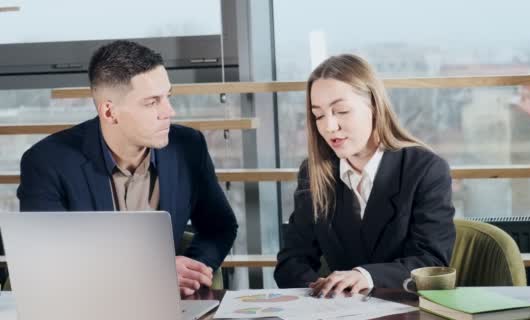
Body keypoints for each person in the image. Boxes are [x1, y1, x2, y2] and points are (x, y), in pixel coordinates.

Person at [17, 40, 238, 296]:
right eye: (152, 102)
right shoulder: (47, 161)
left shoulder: (188, 147)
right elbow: (47, 257)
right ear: (110, 112)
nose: (169, 111)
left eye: (168, 96)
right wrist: (154, 274)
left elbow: (219, 226)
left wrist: (194, 269)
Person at [274, 54, 455, 298]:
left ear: (373, 106)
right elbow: (291, 261)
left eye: (341, 111)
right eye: (318, 115)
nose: (329, 127)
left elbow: (430, 261)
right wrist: (321, 289)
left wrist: (364, 276)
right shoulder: (314, 172)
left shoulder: (425, 170)